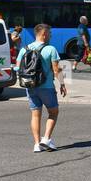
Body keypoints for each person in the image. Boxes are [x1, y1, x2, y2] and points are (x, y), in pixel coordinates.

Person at [15, 23, 62, 153]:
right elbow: (56, 70)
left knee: (35, 115)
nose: (51, 36)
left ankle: (36, 144)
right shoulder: (51, 49)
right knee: (53, 112)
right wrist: (62, 84)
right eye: (50, 34)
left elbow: (18, 67)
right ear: (44, 34)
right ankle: (46, 139)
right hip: (46, 87)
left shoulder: (24, 49)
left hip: (30, 86)